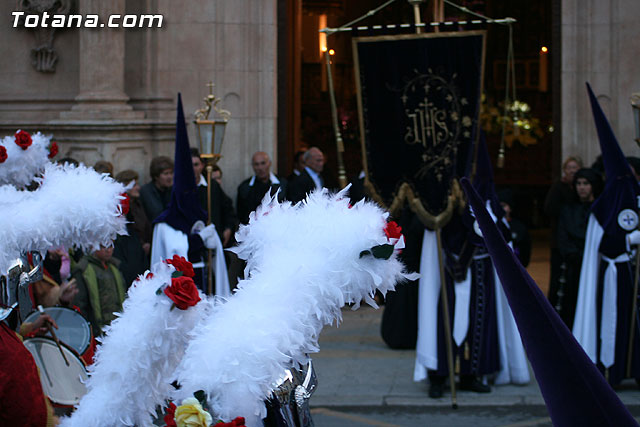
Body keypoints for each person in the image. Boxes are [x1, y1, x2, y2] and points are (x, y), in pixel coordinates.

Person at [573, 86, 640, 387]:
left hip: (631, 274)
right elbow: (603, 244)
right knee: (609, 321)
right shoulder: (602, 208)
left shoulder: (634, 198)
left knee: (632, 322)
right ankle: (608, 371)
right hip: (608, 275)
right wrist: (630, 241)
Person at [151, 95, 230, 297]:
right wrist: (199, 240)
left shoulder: (199, 213)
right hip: (181, 285)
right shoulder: (165, 224)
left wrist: (213, 243)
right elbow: (176, 252)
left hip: (203, 276)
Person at [550, 168, 602, 328]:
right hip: (573, 267)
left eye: (586, 183)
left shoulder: (601, 210)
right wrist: (576, 255)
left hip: (596, 266)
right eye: (578, 183)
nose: (582, 187)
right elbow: (562, 237)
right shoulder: (568, 209)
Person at [544, 156, 582, 304]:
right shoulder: (558, 187)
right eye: (569, 168)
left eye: (575, 167)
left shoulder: (582, 187)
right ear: (564, 170)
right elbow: (549, 209)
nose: (572, 171)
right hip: (560, 239)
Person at [71, 244, 126, 337]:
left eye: (111, 246)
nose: (108, 250)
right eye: (103, 246)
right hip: (96, 326)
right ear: (93, 246)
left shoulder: (114, 268)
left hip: (117, 324)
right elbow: (80, 302)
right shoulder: (84, 269)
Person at [191, 148, 237, 247]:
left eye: (196, 165)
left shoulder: (212, 186)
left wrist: (228, 229)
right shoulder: (179, 189)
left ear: (202, 165)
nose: (193, 169)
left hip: (214, 240)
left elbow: (228, 208)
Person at [113, 170, 152, 286]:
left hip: (138, 250)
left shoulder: (138, 204)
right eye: (134, 185)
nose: (138, 188)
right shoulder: (121, 206)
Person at [237, 151, 288, 225]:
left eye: (263, 163)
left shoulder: (283, 184)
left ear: (269, 163)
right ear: (252, 166)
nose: (260, 168)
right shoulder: (244, 187)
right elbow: (242, 215)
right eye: (256, 164)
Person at [497, 189, 531, 268]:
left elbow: (525, 249)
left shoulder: (518, 227)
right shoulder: (493, 225)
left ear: (510, 208)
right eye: (498, 206)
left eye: (503, 206)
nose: (500, 209)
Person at [140, 155, 174, 222]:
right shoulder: (145, 192)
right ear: (156, 176)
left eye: (171, 173)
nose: (170, 177)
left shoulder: (174, 190)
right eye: (166, 174)